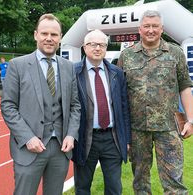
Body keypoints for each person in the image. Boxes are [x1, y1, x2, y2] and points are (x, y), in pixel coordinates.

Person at [1, 13, 81, 195]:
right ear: (36, 34)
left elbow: (75, 106)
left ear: (60, 37)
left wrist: (71, 134)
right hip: (29, 148)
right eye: (44, 33)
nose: (49, 38)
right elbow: (8, 106)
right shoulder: (17, 65)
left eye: (54, 35)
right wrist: (27, 137)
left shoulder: (69, 67)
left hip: (60, 147)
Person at [117, 10, 193, 194]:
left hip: (168, 128)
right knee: (140, 182)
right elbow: (118, 93)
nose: (151, 30)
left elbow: (185, 86)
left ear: (162, 29)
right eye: (147, 26)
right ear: (139, 29)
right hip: (136, 130)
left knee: (174, 182)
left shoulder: (175, 53)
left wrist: (190, 119)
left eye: (155, 26)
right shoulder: (126, 56)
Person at [72, 29, 131, 195]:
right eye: (93, 44)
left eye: (102, 45)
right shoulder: (73, 72)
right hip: (85, 138)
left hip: (112, 139)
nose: (97, 48)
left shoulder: (116, 73)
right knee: (82, 187)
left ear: (106, 48)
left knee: (114, 187)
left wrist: (126, 138)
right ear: (84, 47)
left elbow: (124, 107)